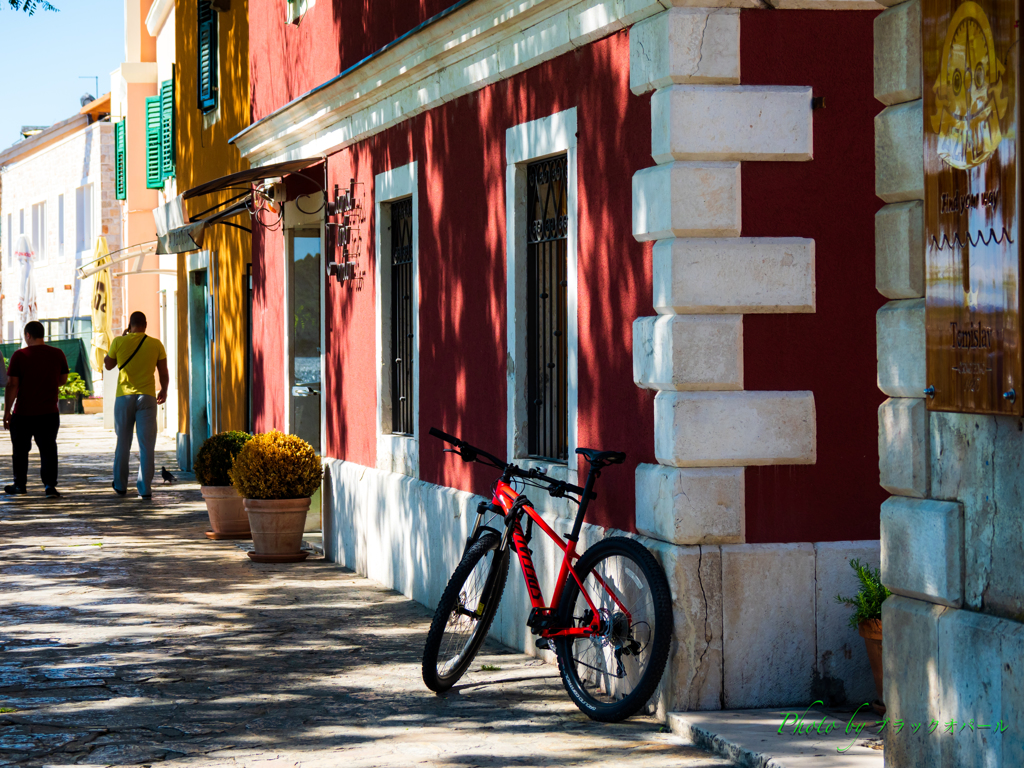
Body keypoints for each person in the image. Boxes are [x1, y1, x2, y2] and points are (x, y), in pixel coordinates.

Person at [104, 311, 169, 499]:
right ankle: (145, 488)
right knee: (147, 445)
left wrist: (122, 341)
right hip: (147, 397)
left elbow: (108, 365)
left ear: (129, 324)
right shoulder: (156, 344)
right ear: (145, 324)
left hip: (124, 398)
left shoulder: (118, 342)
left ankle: (120, 485)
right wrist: (163, 389)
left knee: (123, 443)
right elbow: (163, 372)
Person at [3, 321, 70, 497]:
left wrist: (6, 412)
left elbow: (12, 384)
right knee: (48, 449)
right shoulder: (57, 354)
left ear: (27, 335)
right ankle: (49, 486)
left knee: (20, 450)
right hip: (49, 412)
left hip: (23, 412)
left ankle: (20, 485)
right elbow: (62, 379)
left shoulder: (19, 356)